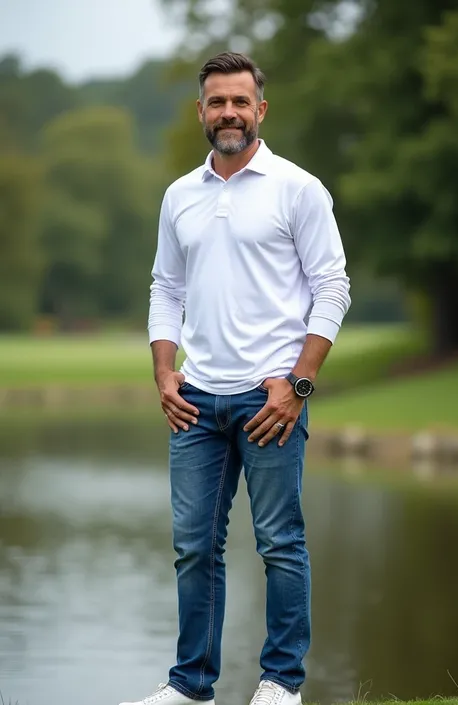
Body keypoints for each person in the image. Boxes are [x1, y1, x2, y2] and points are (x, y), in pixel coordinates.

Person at [120, 52, 351, 705]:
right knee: (194, 548)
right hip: (195, 400)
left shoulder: (297, 189)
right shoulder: (180, 196)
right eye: (216, 102)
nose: (228, 113)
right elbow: (166, 288)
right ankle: (191, 685)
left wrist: (297, 383)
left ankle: (281, 682)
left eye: (239, 102)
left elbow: (333, 287)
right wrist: (165, 371)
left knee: (281, 542)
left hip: (269, 397)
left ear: (260, 110)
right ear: (201, 111)